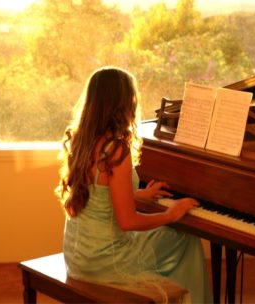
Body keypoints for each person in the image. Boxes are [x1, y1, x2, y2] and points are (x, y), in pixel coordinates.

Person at [56, 66, 212, 304]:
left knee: (171, 238)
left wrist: (136, 196)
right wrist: (171, 214)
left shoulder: (80, 140)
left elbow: (98, 196)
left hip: (78, 257)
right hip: (106, 261)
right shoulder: (116, 149)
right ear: (122, 103)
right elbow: (128, 222)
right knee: (185, 238)